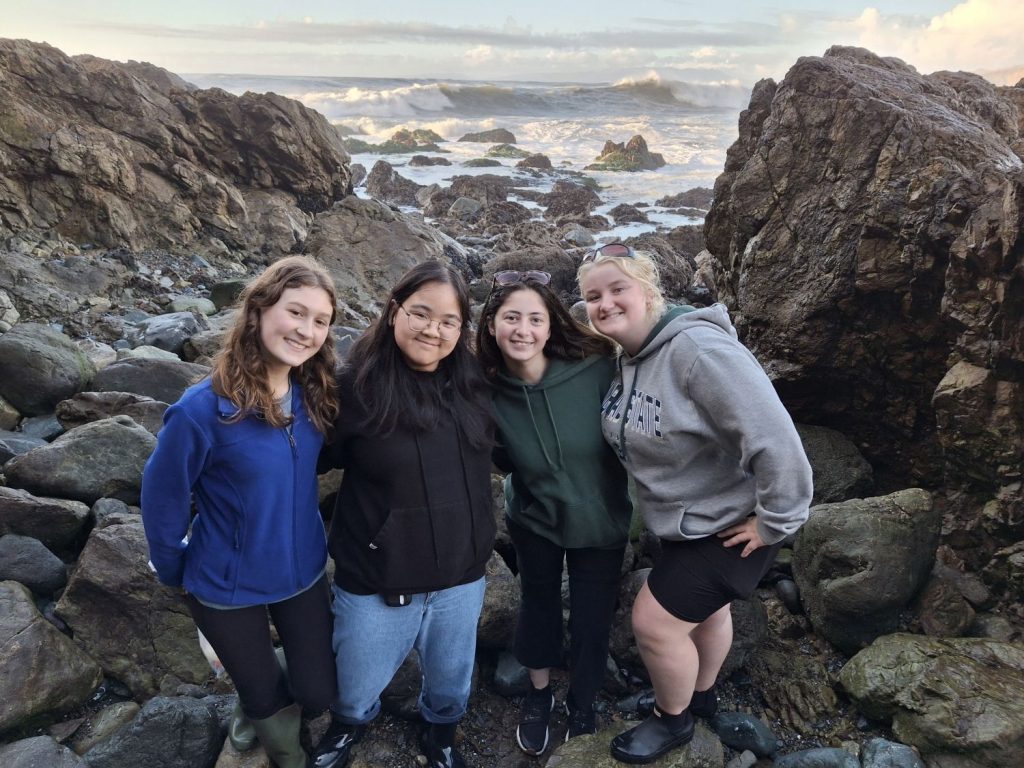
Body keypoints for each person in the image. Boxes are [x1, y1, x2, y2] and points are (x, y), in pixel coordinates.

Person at [578, 243, 813, 764]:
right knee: (707, 615)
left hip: (730, 528)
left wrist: (775, 523)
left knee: (655, 624)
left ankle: (672, 721)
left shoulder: (700, 352)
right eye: (594, 296)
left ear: (649, 291)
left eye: (619, 289)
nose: (606, 303)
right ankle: (699, 696)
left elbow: (777, 439)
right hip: (683, 525)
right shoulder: (628, 355)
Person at [141, 255, 340, 768]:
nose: (306, 330)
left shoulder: (313, 393)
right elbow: (162, 497)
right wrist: (173, 569)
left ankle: (253, 677)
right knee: (265, 701)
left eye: (320, 321)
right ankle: (284, 748)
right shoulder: (200, 410)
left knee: (317, 694)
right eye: (296, 312)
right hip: (225, 584)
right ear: (258, 311)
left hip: (303, 572)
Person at [312, 261, 496, 768]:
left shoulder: (476, 387)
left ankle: (441, 734)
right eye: (421, 313)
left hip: (462, 575)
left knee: (451, 678)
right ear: (394, 310)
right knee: (354, 685)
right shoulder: (352, 390)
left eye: (448, 321)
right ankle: (348, 724)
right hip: (378, 578)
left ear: (462, 330)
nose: (432, 330)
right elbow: (296, 460)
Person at [475, 269, 632, 755]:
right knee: (538, 606)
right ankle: (539, 695)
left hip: (601, 517)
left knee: (591, 619)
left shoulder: (597, 365)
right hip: (535, 518)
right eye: (511, 318)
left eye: (534, 319)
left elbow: (654, 351)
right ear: (491, 325)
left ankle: (582, 704)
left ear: (550, 325)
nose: (523, 330)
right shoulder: (485, 390)